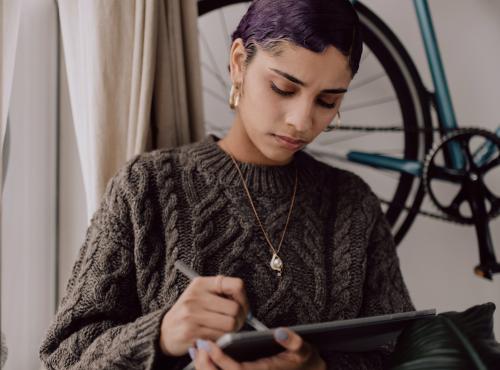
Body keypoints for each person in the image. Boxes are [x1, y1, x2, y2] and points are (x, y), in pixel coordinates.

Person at [40, 0, 414, 369]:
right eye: (284, 88)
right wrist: (161, 334)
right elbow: (62, 357)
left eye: (327, 101)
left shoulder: (352, 203)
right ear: (238, 63)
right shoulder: (146, 186)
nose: (302, 121)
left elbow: (403, 352)